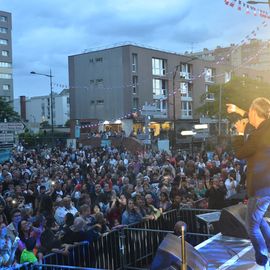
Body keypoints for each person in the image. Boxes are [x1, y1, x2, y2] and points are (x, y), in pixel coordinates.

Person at [229, 98, 270, 268]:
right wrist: (238, 110)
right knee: (259, 220)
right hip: (266, 185)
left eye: (250, 112)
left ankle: (262, 258)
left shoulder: (257, 136)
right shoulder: (267, 126)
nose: (248, 117)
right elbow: (258, 113)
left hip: (260, 187)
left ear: (255, 112)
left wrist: (239, 133)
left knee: (251, 225)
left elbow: (240, 153)